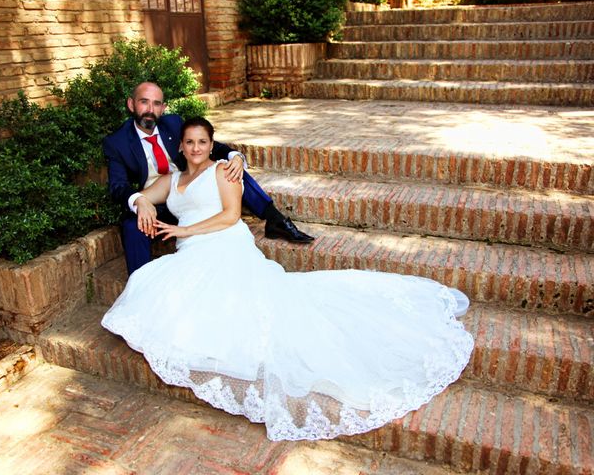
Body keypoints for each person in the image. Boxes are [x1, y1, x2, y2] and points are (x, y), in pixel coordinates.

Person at [101, 117, 474, 441]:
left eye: (203, 142)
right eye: (189, 142)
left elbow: (231, 215)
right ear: (180, 146)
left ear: (211, 145)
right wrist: (143, 202)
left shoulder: (222, 170)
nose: (196, 147)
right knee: (154, 284)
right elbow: (144, 195)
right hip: (191, 250)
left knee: (234, 302)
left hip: (223, 243)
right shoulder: (173, 177)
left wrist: (184, 231)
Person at [104, 81, 314, 275]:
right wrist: (139, 201)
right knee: (132, 225)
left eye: (156, 103)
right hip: (158, 199)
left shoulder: (173, 123)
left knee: (231, 169)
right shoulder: (117, 142)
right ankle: (141, 283)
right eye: (144, 102)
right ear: (131, 104)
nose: (150, 109)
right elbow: (118, 186)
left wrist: (235, 156)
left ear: (163, 107)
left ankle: (274, 218)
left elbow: (205, 143)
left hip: (191, 188)